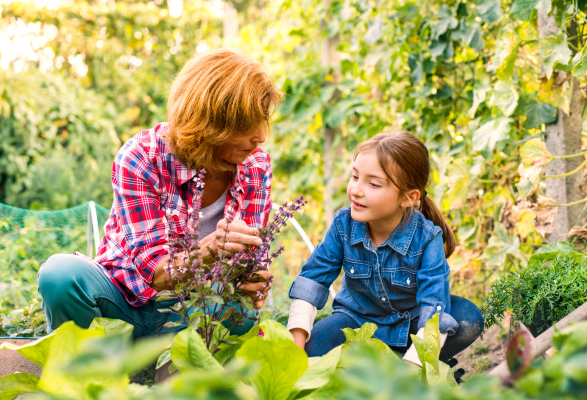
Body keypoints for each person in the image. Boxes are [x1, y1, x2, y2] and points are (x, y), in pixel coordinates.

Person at [38, 48, 283, 339]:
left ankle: (183, 373)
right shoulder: (142, 156)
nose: (261, 137)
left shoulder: (255, 165)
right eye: (247, 124)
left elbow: (253, 261)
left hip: (192, 314)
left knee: (239, 311)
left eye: (262, 120)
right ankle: (93, 369)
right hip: (124, 307)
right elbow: (157, 274)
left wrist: (254, 281)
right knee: (60, 276)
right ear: (211, 121)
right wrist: (209, 249)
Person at [286, 131, 483, 365]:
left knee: (467, 317)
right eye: (355, 176)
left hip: (411, 323)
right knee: (314, 349)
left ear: (408, 197)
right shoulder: (343, 225)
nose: (357, 190)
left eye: (373, 184)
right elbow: (313, 280)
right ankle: (375, 365)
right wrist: (296, 346)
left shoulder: (427, 238)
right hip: (355, 320)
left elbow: (434, 311)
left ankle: (409, 362)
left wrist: (409, 373)